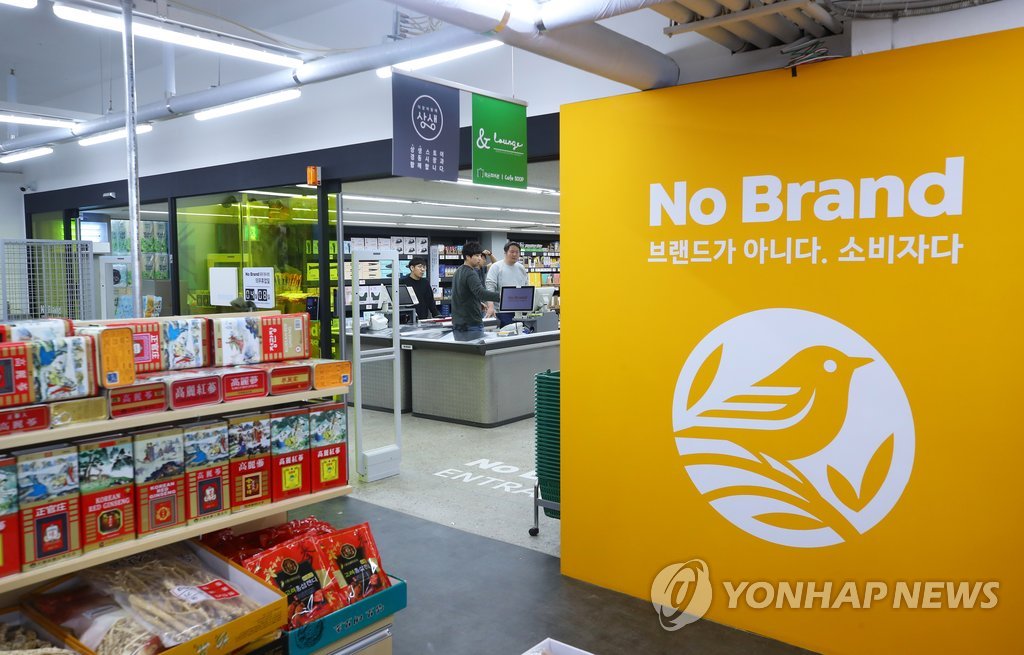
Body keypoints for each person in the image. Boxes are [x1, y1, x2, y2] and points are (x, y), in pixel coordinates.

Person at [451, 242, 501, 341]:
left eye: (480, 256)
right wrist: (503, 296)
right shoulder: (471, 273)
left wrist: (477, 303)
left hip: (458, 323)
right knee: (476, 350)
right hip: (471, 324)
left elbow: (461, 294)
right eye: (477, 256)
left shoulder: (458, 271)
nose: (479, 258)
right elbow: (481, 293)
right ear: (467, 256)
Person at [485, 241, 530, 327]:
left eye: (517, 252)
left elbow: (526, 288)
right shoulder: (496, 267)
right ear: (505, 253)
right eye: (512, 252)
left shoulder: (521, 268)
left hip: (519, 311)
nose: (515, 254)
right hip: (502, 312)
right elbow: (490, 288)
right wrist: (490, 307)